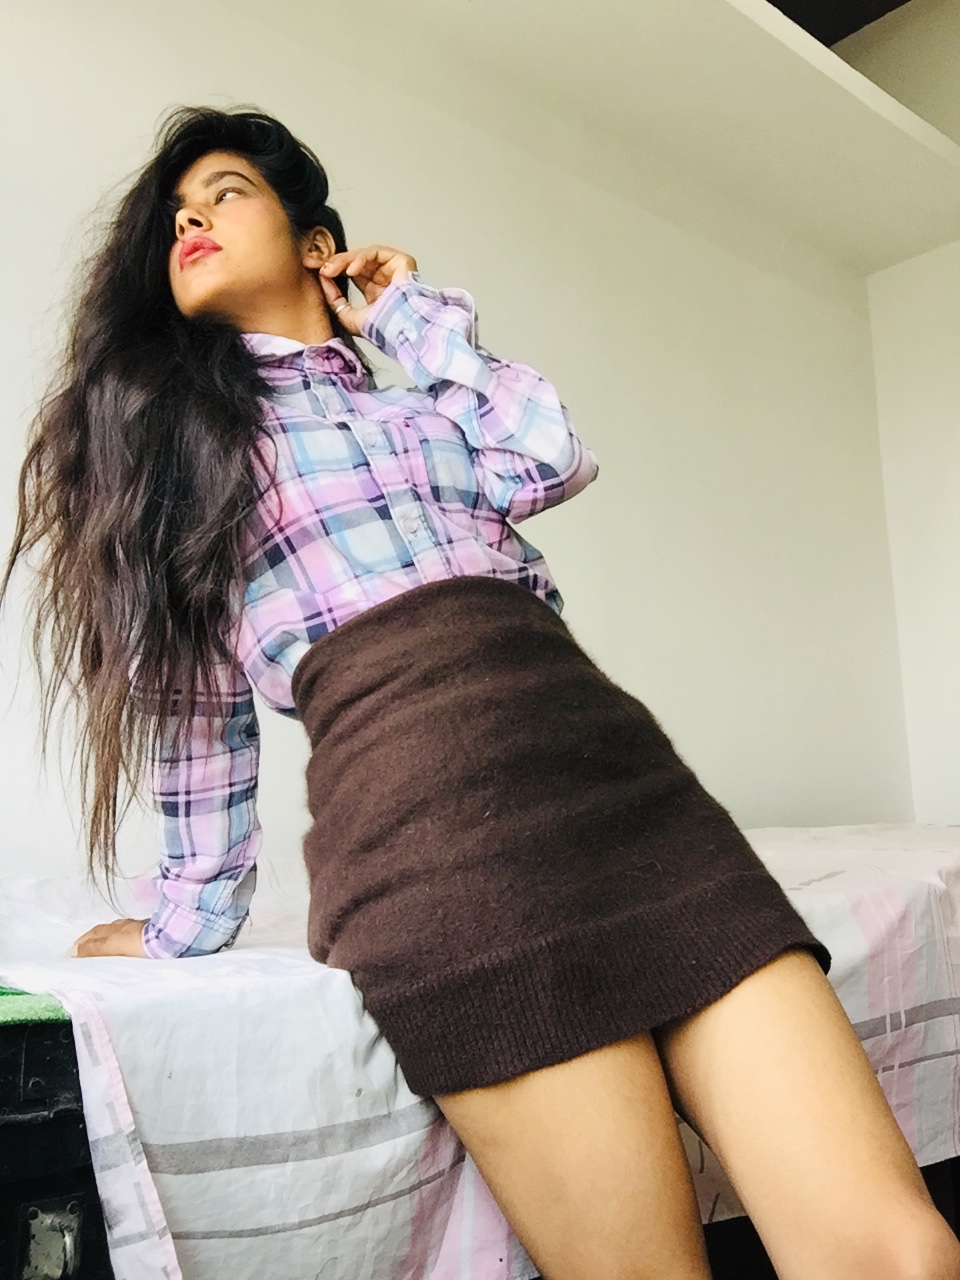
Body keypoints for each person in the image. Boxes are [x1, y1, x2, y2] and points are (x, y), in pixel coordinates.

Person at [3, 105, 957, 1280]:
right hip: (436, 837)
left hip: (632, 795)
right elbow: (198, 716)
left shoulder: (423, 409)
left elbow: (552, 453)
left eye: (226, 192)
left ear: (317, 242)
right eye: (176, 216)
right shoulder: (179, 452)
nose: (190, 220)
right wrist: (180, 922)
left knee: (902, 1252)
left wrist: (405, 312)